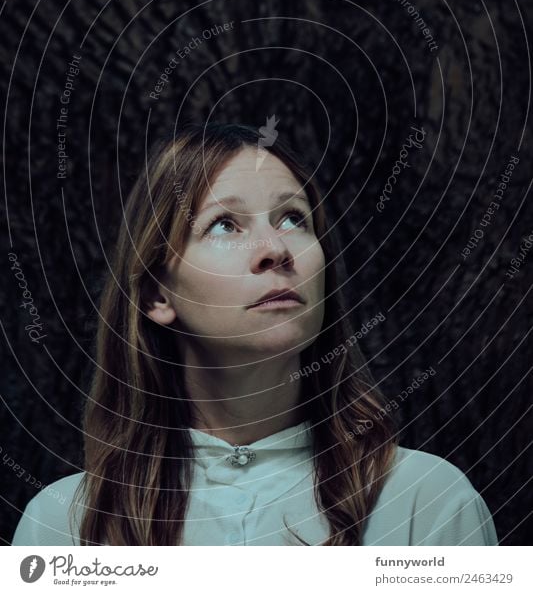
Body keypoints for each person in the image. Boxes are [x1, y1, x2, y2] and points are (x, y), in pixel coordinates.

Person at [12, 122, 498, 546]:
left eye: (293, 219)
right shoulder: (63, 524)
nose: (275, 249)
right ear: (158, 296)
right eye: (224, 224)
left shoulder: (425, 498)